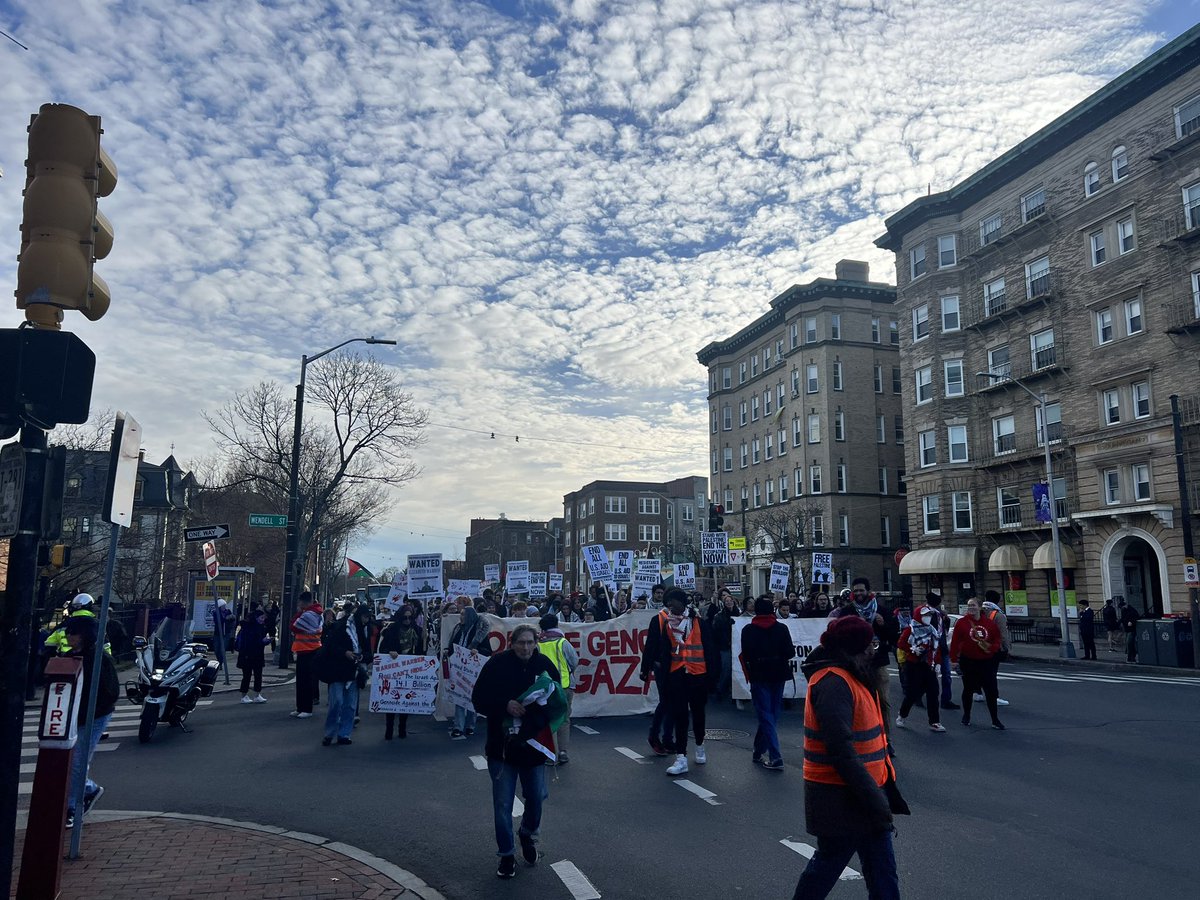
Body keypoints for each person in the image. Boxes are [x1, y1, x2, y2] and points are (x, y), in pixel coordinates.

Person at [793, 615, 908, 899]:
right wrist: (874, 797)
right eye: (869, 644)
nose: (873, 649)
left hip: (863, 793)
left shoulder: (852, 674)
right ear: (855, 648)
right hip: (840, 798)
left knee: (883, 871)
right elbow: (841, 750)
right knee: (827, 867)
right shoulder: (834, 683)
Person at [471, 623, 561, 879]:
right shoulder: (496, 665)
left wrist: (536, 714)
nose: (526, 647)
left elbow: (556, 702)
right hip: (502, 748)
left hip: (532, 748)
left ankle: (527, 833)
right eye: (521, 642)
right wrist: (504, 705)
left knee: (536, 797)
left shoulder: (544, 665)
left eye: (530, 642)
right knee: (502, 805)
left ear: (536, 642)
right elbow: (478, 698)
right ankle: (507, 854)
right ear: (512, 643)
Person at [650, 589, 718, 777]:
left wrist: (712, 678)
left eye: (673, 603)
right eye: (668, 604)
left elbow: (710, 650)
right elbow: (664, 652)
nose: (670, 607)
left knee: (698, 714)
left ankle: (699, 744)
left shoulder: (699, 624)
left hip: (698, 674)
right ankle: (681, 757)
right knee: (679, 714)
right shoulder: (666, 626)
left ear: (683, 603)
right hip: (677, 674)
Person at [63, 616, 119, 828]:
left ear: (85, 636)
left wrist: (91, 709)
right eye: (69, 633)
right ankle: (85, 790)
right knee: (71, 761)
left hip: (93, 716)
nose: (69, 637)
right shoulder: (70, 656)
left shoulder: (98, 658)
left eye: (73, 633)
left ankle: (73, 805)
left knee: (77, 761)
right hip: (74, 715)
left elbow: (111, 691)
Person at [739, 595, 796, 770]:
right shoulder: (781, 628)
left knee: (765, 714)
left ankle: (775, 755)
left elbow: (746, 654)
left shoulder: (748, 630)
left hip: (759, 673)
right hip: (778, 672)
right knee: (771, 713)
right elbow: (790, 652)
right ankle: (759, 750)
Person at [951, 598, 1004, 729]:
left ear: (980, 607)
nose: (971, 608)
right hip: (968, 661)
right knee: (968, 689)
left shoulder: (989, 623)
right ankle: (966, 715)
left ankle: (995, 719)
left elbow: (997, 638)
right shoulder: (962, 622)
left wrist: (993, 648)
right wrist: (953, 659)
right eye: (969, 605)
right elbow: (955, 642)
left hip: (986, 661)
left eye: (973, 605)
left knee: (990, 691)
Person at [895, 604, 945, 733]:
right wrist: (912, 649)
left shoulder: (932, 630)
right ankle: (902, 715)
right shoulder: (910, 630)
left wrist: (938, 662)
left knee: (933, 692)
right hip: (914, 665)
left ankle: (934, 721)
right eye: (925, 615)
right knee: (912, 693)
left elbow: (936, 647)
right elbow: (901, 644)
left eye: (929, 615)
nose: (927, 617)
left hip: (928, 665)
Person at [317, 605, 361, 746]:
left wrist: (363, 657)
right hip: (337, 670)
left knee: (350, 706)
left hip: (353, 671)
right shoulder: (339, 628)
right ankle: (329, 733)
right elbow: (331, 647)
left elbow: (368, 650)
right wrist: (345, 653)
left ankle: (344, 734)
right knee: (336, 702)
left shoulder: (363, 631)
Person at [378, 607, 425, 740]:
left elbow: (421, 650)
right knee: (391, 699)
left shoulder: (417, 630)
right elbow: (382, 648)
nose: (407, 620)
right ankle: (389, 728)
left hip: (410, 669)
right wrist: (389, 651)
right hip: (393, 669)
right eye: (405, 617)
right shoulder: (391, 630)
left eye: (410, 617)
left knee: (406, 699)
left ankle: (402, 727)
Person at [538, 614, 578, 764]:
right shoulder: (563, 642)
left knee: (549, 720)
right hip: (565, 686)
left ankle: (550, 754)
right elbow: (574, 661)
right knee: (564, 720)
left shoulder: (539, 645)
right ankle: (563, 752)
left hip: (546, 689)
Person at [448, 605, 493, 739]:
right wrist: (447, 650)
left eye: (463, 615)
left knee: (471, 697)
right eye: (460, 614)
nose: (460, 617)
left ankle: (470, 726)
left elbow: (488, 650)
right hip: (458, 667)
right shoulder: (457, 629)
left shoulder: (479, 632)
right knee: (459, 696)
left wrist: (477, 651)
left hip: (473, 670)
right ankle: (458, 727)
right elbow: (452, 645)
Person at [639, 601, 675, 755]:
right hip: (662, 666)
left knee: (673, 703)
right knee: (667, 701)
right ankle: (654, 735)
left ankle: (667, 739)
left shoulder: (683, 618)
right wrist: (645, 669)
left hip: (677, 666)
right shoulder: (658, 619)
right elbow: (651, 645)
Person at [289, 592, 323, 719]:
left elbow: (294, 626)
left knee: (306, 681)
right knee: (302, 681)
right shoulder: (315, 613)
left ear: (305, 602)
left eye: (300, 602)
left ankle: (306, 708)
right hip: (305, 649)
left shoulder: (310, 614)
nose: (299, 604)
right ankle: (301, 707)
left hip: (309, 649)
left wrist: (299, 613)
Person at [922, 593, 958, 710]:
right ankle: (922, 697)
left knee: (946, 676)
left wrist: (945, 619)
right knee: (931, 676)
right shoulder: (926, 613)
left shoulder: (939, 615)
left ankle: (945, 700)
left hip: (942, 649)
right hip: (932, 649)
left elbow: (944, 631)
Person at [979, 592, 1012, 707]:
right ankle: (994, 697)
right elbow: (1003, 635)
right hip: (994, 648)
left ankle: (977, 693)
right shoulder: (998, 615)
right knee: (992, 674)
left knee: (980, 671)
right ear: (998, 601)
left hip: (979, 646)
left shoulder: (979, 612)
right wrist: (1006, 648)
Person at [235, 607, 270, 703]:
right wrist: (262, 642)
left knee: (257, 675)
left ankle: (256, 694)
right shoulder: (248, 628)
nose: (263, 620)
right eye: (261, 618)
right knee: (247, 675)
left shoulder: (260, 627)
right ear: (256, 618)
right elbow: (250, 642)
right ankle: (245, 695)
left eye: (264, 618)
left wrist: (264, 641)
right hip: (248, 655)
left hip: (256, 654)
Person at [710, 588, 738, 698]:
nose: (729, 603)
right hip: (725, 646)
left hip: (737, 646)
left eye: (731, 601)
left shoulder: (739, 615)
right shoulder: (719, 616)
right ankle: (720, 689)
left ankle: (732, 690)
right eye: (727, 601)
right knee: (726, 669)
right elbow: (717, 632)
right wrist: (727, 641)